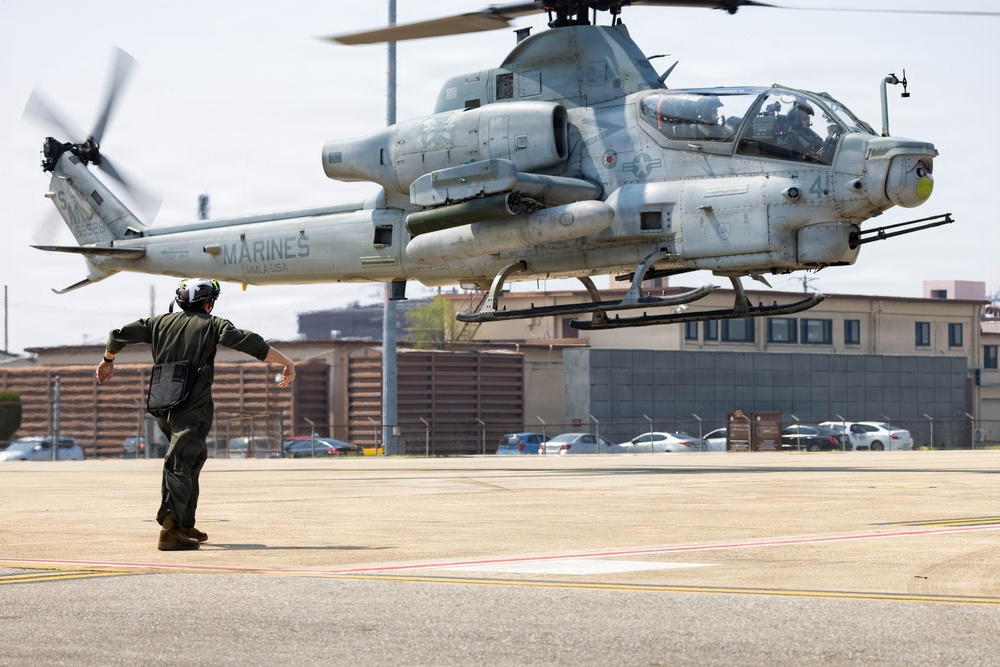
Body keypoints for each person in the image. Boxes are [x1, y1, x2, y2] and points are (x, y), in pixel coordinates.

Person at [95, 278, 296, 551]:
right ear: (209, 303)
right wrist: (287, 361)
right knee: (180, 460)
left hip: (163, 402)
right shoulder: (213, 325)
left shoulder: (158, 323)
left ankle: (184, 525)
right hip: (193, 406)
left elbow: (117, 335)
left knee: (193, 458)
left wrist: (107, 360)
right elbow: (248, 341)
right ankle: (170, 529)